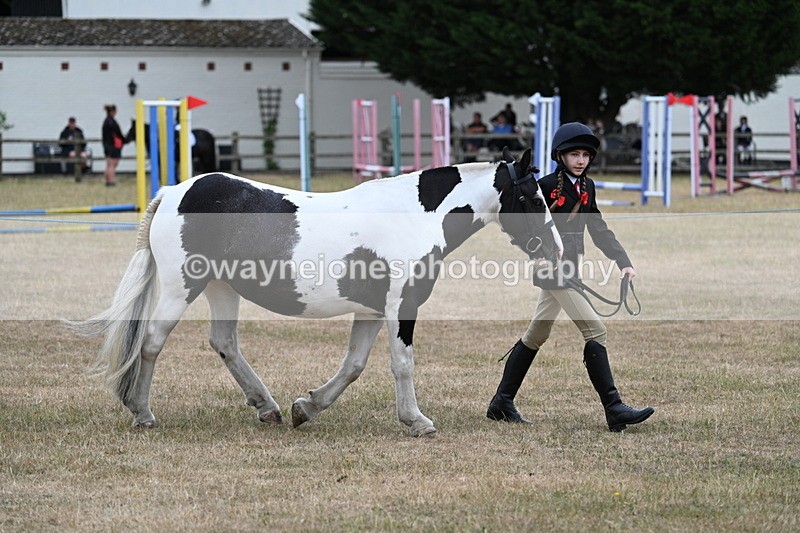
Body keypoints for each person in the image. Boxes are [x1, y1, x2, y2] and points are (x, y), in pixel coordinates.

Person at [486, 122, 654, 432]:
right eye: (573, 154)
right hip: (552, 269)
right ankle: (614, 407)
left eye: (584, 155)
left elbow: (598, 227)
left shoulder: (588, 187)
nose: (580, 160)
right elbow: (527, 228)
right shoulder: (544, 186)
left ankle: (501, 402)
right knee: (595, 329)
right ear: (560, 156)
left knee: (536, 335)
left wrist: (623, 261)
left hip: (572, 268)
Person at [101, 104, 125, 186]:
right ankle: (111, 181)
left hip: (107, 145)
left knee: (108, 164)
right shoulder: (112, 122)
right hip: (113, 146)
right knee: (112, 164)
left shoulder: (105, 121)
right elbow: (118, 134)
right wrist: (124, 140)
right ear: (112, 112)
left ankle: (107, 180)